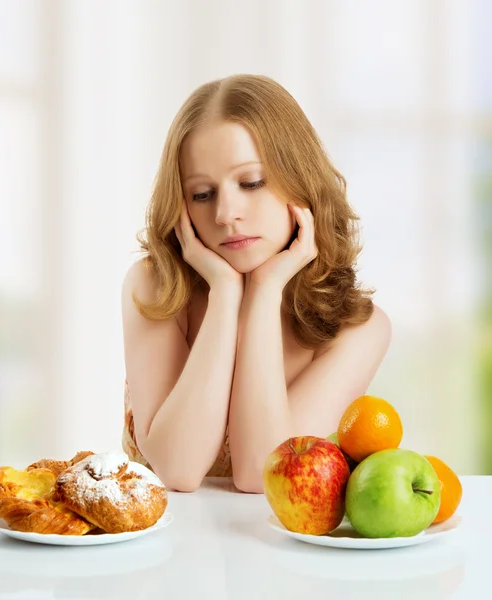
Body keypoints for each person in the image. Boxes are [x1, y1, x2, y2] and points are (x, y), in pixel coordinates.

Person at [121, 74, 391, 494]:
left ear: (300, 180)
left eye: (251, 183)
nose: (226, 213)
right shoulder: (155, 286)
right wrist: (225, 295)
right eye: (202, 194)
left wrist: (265, 293)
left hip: (280, 556)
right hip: (161, 554)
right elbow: (177, 468)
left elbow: (260, 475)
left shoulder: (359, 329)